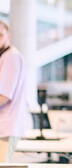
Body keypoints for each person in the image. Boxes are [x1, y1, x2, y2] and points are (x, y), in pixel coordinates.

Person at [0, 19, 27, 162]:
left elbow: (4, 96)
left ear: (8, 36)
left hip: (7, 127)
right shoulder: (4, 56)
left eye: (0, 35)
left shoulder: (11, 56)